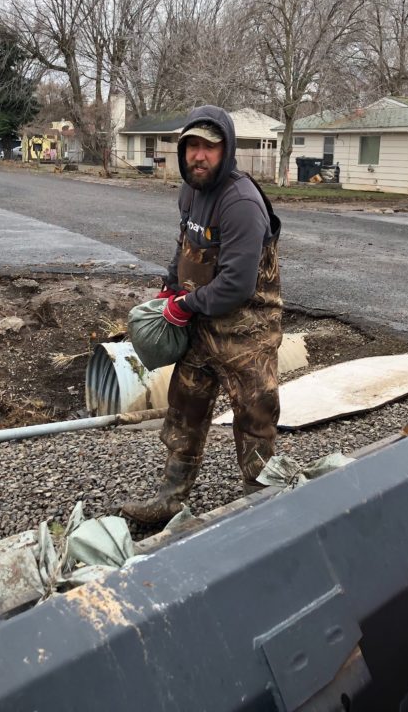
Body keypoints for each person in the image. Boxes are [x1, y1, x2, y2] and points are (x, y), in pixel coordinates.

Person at [121, 105, 283, 525]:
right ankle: (170, 499)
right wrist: (170, 286)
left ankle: (263, 506)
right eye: (192, 146)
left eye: (209, 148)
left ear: (225, 150)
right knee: (185, 408)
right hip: (201, 325)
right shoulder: (190, 191)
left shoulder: (241, 202)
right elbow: (183, 245)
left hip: (247, 332)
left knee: (255, 416)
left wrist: (183, 306)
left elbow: (237, 285)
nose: (199, 156)